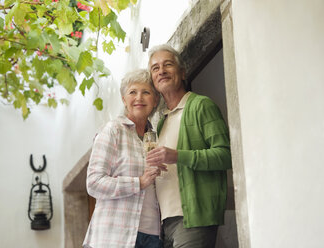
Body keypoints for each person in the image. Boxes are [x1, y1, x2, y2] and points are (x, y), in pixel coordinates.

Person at [146, 44, 232, 248]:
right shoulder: (161, 121)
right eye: (155, 68)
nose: (162, 71)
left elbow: (225, 155)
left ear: (182, 72)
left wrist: (177, 156)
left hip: (193, 218)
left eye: (168, 65)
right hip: (165, 223)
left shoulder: (201, 105)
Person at [83, 69, 164, 248]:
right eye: (132, 92)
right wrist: (138, 183)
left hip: (153, 235)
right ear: (123, 99)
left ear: (155, 99)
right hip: (115, 235)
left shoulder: (157, 137)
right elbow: (94, 183)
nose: (139, 98)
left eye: (146, 92)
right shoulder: (113, 130)